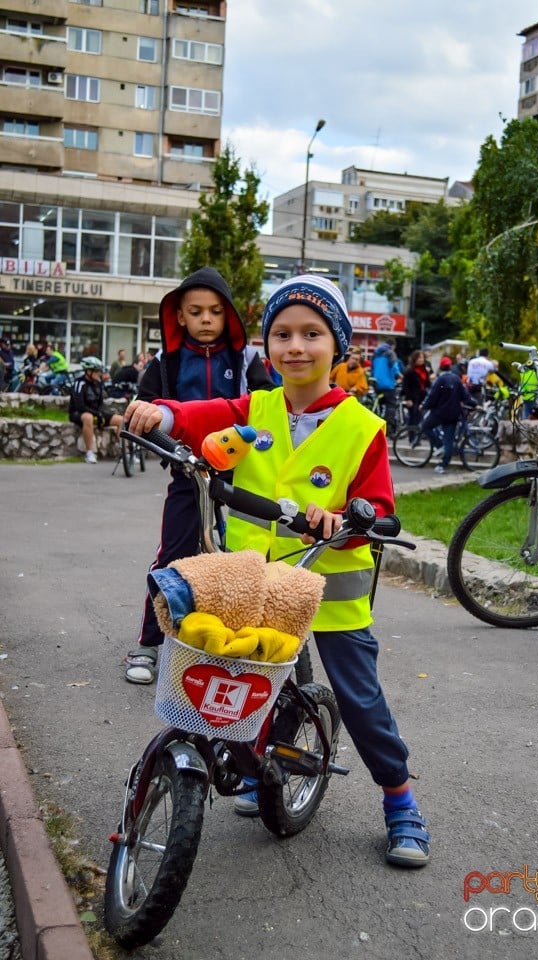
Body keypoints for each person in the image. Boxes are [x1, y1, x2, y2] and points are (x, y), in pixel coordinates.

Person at [124, 273, 431, 869]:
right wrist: (159, 412)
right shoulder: (257, 405)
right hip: (253, 584)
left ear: (338, 347)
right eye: (283, 334)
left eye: (312, 334)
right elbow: (199, 415)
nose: (296, 346)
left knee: (359, 698)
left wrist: (342, 515)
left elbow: (381, 508)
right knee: (238, 676)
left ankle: (400, 799)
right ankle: (256, 768)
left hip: (331, 589)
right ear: (267, 344)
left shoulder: (362, 428)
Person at [124, 267, 274, 685]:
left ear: (229, 316)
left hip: (241, 476)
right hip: (188, 472)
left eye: (215, 311)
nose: (206, 319)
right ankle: (148, 644)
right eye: (196, 311)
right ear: (180, 317)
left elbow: (266, 407)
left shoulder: (245, 359)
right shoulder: (166, 361)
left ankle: (231, 647)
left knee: (239, 560)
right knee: (172, 554)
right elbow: (143, 409)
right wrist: (151, 427)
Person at [421, 356, 476, 473]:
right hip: (454, 414)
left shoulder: (440, 380)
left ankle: (439, 445)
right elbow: (465, 395)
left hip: (440, 413)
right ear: (450, 367)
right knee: (449, 440)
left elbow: (433, 396)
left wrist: (424, 406)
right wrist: (474, 404)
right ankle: (443, 465)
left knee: (425, 426)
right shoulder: (456, 379)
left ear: (440, 367)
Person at [68, 356, 124, 462]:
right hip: (78, 413)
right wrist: (96, 414)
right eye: (97, 371)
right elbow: (80, 406)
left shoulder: (97, 384)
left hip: (96, 413)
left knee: (120, 420)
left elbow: (100, 403)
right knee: (88, 417)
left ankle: (125, 453)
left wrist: (100, 414)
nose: (99, 374)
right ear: (89, 371)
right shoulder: (79, 383)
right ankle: (89, 453)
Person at [371, 339, 402, 435]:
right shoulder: (390, 353)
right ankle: (389, 429)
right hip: (388, 385)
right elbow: (394, 366)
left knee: (380, 406)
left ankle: (378, 426)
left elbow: (372, 369)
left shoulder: (375, 354)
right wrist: (399, 375)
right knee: (391, 406)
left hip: (377, 385)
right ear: (393, 346)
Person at [401, 349, 429, 426]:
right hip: (413, 398)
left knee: (420, 417)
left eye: (422, 358)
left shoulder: (424, 370)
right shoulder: (409, 371)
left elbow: (427, 383)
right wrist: (408, 399)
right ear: (415, 359)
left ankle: (417, 436)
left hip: (422, 397)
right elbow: (405, 385)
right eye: (419, 358)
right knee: (413, 418)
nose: (421, 359)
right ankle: (412, 436)